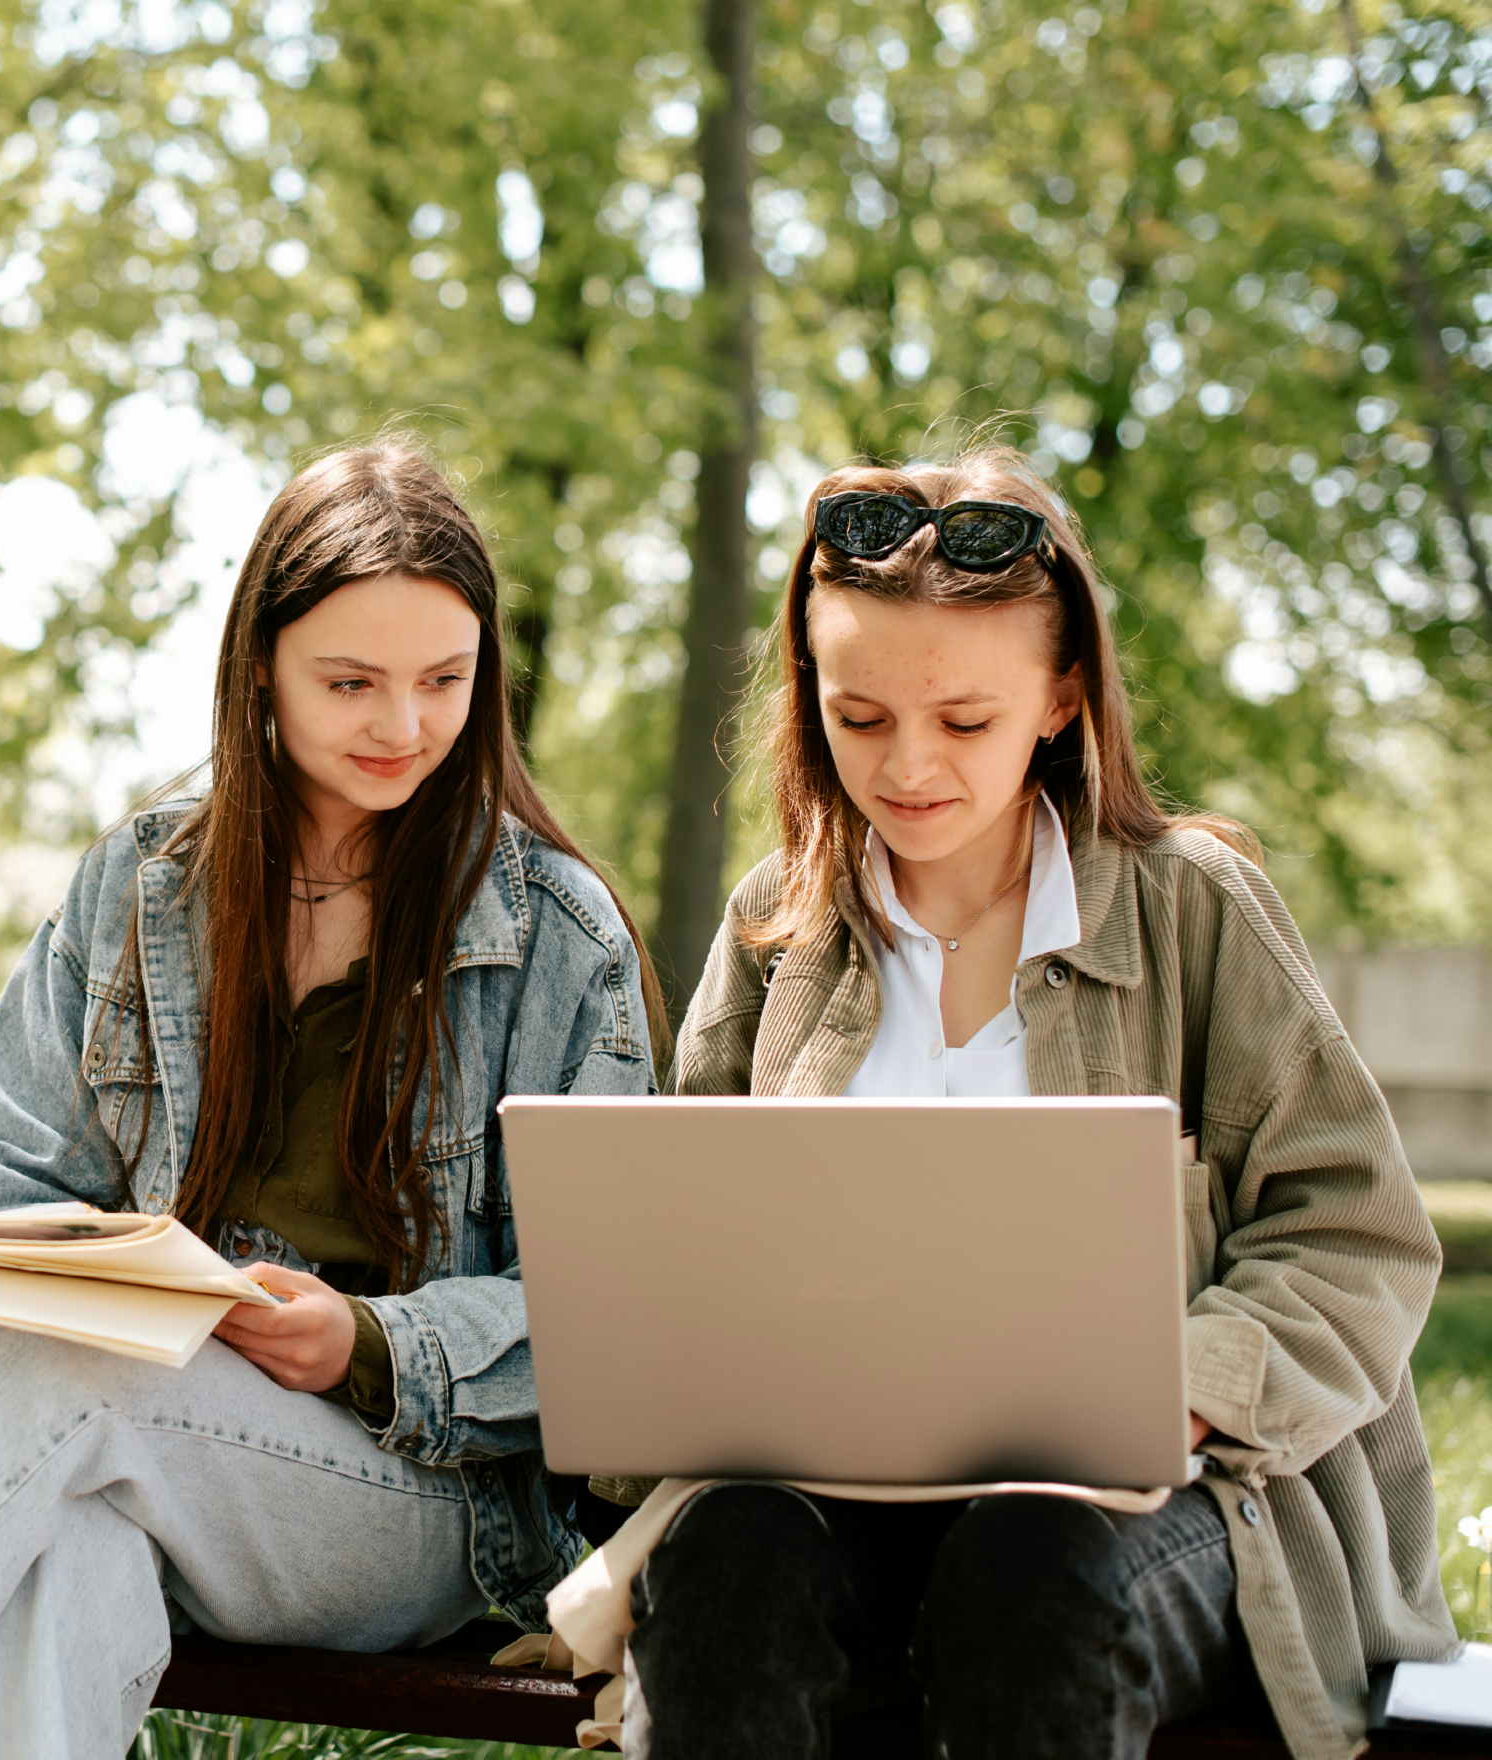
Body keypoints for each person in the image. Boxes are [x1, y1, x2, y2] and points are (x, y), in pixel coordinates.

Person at [0, 441, 665, 1760]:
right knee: (67, 1555)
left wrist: (367, 1343)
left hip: (425, 1510)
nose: (405, 727)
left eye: (445, 681)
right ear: (259, 666)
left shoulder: (558, 932)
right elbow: (4, 1180)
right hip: (140, 1442)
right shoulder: (144, 884)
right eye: (352, 683)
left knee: (61, 1376)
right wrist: (118, 1277)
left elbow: (613, 1316)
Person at [600, 448, 1454, 1760]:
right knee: (727, 1563)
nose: (907, 767)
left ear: (1061, 699)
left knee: (1029, 1563)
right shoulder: (778, 926)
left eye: (965, 720)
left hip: (1146, 1512)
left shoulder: (1191, 910)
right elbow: (685, 1243)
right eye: (860, 715)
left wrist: (1175, 1387)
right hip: (842, 1495)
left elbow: (1358, 1241)